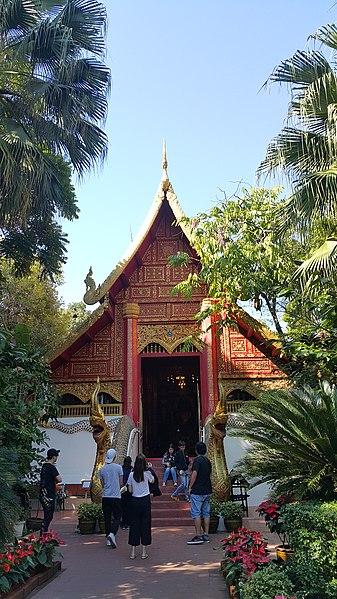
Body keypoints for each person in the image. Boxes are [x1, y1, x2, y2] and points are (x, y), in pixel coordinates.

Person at [127, 454, 154, 560]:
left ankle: (133, 552)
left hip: (134, 500)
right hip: (145, 500)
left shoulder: (131, 475)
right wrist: (150, 468)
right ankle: (144, 552)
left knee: (134, 525)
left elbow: (130, 490)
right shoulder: (147, 473)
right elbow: (153, 481)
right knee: (145, 525)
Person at [187, 441, 212, 545]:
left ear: (196, 450)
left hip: (197, 490)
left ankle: (198, 535)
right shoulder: (207, 461)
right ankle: (206, 534)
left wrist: (190, 487)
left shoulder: (197, 460)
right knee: (206, 513)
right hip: (207, 489)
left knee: (196, 512)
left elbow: (194, 473)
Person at [99, 448, 123, 548]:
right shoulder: (118, 468)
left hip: (105, 496)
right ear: (114, 457)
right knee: (117, 517)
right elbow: (121, 482)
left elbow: (102, 483)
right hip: (116, 496)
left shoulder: (102, 469)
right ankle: (112, 534)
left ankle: (108, 540)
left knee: (107, 518)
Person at [39, 448, 62, 532]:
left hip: (42, 494)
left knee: (46, 514)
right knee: (49, 515)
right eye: (56, 456)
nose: (57, 458)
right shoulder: (51, 467)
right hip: (49, 494)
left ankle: (44, 532)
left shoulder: (44, 466)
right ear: (53, 457)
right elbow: (59, 479)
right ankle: (43, 533)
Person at [120, 456, 132, 529]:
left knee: (123, 507)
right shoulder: (131, 469)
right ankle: (128, 523)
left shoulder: (121, 468)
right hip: (129, 489)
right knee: (129, 507)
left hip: (122, 489)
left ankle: (123, 523)